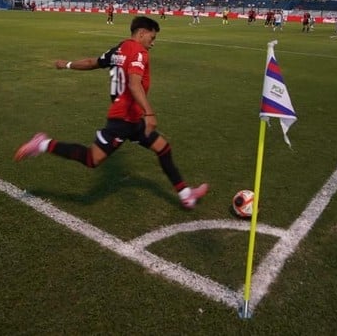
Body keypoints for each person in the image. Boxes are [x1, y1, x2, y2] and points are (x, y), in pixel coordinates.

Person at [14, 16, 209, 210]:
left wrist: (67, 64)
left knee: (163, 148)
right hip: (123, 119)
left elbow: (92, 62)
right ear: (142, 33)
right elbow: (134, 84)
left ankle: (186, 195)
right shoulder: (139, 52)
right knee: (92, 159)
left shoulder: (119, 49)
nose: (153, 43)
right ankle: (42, 144)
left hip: (133, 119)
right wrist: (150, 113)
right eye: (152, 38)